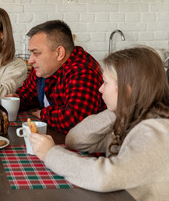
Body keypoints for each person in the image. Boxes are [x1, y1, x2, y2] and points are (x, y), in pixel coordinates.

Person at [30, 47, 169, 201]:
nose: (100, 89)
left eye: (105, 83)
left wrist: (50, 153)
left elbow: (105, 178)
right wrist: (120, 109)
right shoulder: (130, 121)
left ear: (127, 90)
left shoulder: (155, 133)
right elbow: (76, 140)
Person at [8, 20, 106, 133]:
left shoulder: (83, 72)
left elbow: (75, 119)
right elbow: (30, 93)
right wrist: (17, 100)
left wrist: (43, 113)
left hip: (86, 146)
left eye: (36, 53)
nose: (30, 60)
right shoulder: (46, 68)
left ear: (59, 53)